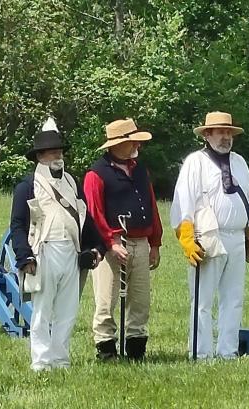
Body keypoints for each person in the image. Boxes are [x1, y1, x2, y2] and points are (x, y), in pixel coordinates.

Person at [9, 118, 106, 371]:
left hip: (70, 252)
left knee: (67, 310)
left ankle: (60, 359)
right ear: (40, 156)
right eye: (53, 151)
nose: (58, 155)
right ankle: (41, 361)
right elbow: (18, 225)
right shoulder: (27, 186)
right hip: (44, 251)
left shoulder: (72, 183)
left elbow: (85, 219)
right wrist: (25, 257)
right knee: (42, 310)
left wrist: (97, 247)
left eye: (60, 151)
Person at [170, 111, 249, 359]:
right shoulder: (195, 162)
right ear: (207, 134)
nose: (225, 137)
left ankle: (228, 351)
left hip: (237, 237)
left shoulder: (240, 162)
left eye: (228, 132)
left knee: (234, 298)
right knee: (202, 301)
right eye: (220, 132)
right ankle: (201, 352)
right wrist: (187, 239)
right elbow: (183, 202)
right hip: (208, 236)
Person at [83, 118, 163, 361]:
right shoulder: (96, 174)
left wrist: (155, 242)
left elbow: (151, 206)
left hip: (139, 242)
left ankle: (136, 349)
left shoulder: (140, 170)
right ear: (117, 145)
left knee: (140, 300)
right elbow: (94, 214)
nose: (136, 146)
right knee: (106, 300)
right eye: (131, 141)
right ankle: (106, 349)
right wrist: (111, 241)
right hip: (111, 247)